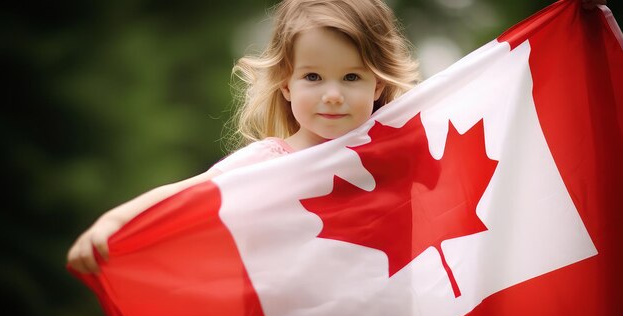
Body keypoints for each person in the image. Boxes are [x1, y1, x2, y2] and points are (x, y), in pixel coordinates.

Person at [67, 0, 608, 274]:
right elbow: (190, 194)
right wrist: (115, 222)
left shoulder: (402, 151)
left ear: (379, 84)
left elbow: (499, 129)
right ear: (285, 82)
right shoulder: (268, 161)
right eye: (313, 77)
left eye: (351, 78)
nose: (332, 95)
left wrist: (572, 31)